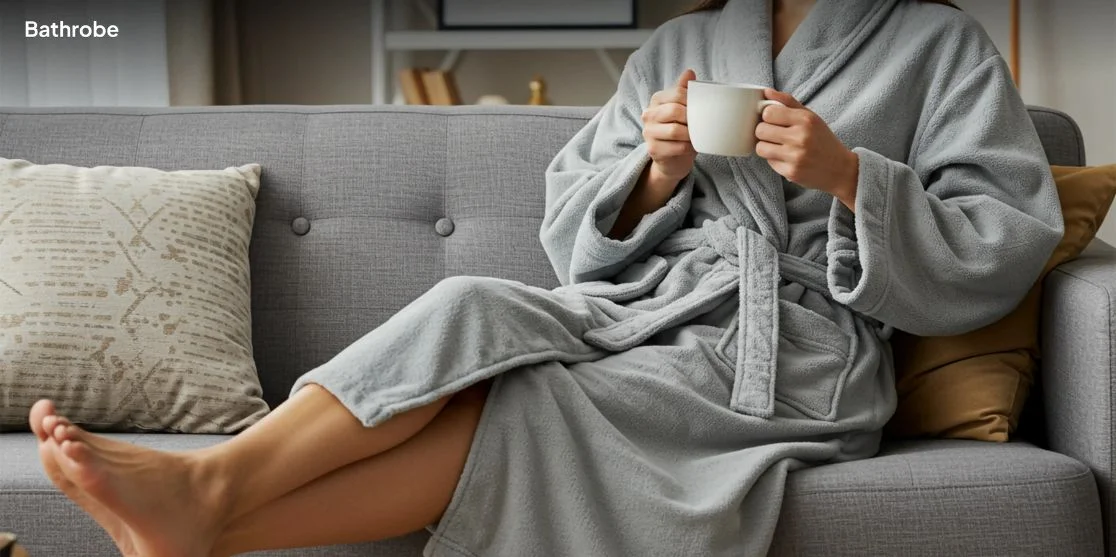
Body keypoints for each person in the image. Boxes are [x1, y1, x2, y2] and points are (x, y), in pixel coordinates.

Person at [29, 0, 1063, 555]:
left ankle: (208, 504)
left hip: (795, 354)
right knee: (468, 300)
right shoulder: (682, 44)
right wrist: (655, 170)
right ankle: (209, 496)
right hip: (644, 307)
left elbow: (1002, 232)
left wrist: (844, 175)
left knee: (530, 404)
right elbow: (574, 226)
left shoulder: (942, 45)